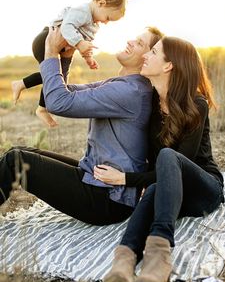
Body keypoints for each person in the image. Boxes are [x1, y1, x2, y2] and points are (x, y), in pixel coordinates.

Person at [0, 26, 163, 226]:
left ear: (148, 57)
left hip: (106, 199)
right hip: (95, 179)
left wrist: (51, 53)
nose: (130, 41)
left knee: (14, 161)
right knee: (18, 151)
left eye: (139, 43)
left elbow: (59, 103)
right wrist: (65, 58)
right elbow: (64, 92)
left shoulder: (131, 92)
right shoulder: (123, 85)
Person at [99, 36, 225, 282]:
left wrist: (127, 179)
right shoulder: (151, 106)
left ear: (169, 66)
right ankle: (123, 263)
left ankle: (159, 256)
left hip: (203, 190)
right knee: (156, 188)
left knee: (168, 157)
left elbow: (180, 163)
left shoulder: (196, 105)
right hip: (169, 191)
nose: (146, 55)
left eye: (153, 52)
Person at [12, 0, 130, 127]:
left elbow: (86, 42)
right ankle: (34, 99)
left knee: (58, 79)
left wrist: (88, 58)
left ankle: (38, 104)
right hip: (46, 40)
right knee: (53, 77)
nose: (105, 22)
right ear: (101, 3)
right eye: (107, 18)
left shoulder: (94, 24)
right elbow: (67, 26)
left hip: (61, 47)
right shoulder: (82, 11)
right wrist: (79, 44)